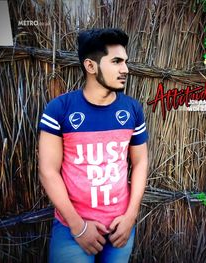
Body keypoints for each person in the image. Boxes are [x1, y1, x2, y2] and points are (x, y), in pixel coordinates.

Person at [38, 28, 148, 263]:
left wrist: (131, 216)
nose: (125, 69)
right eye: (116, 61)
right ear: (90, 66)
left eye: (125, 62)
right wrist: (78, 227)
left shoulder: (132, 110)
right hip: (72, 228)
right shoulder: (60, 109)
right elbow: (48, 171)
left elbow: (140, 162)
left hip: (120, 228)